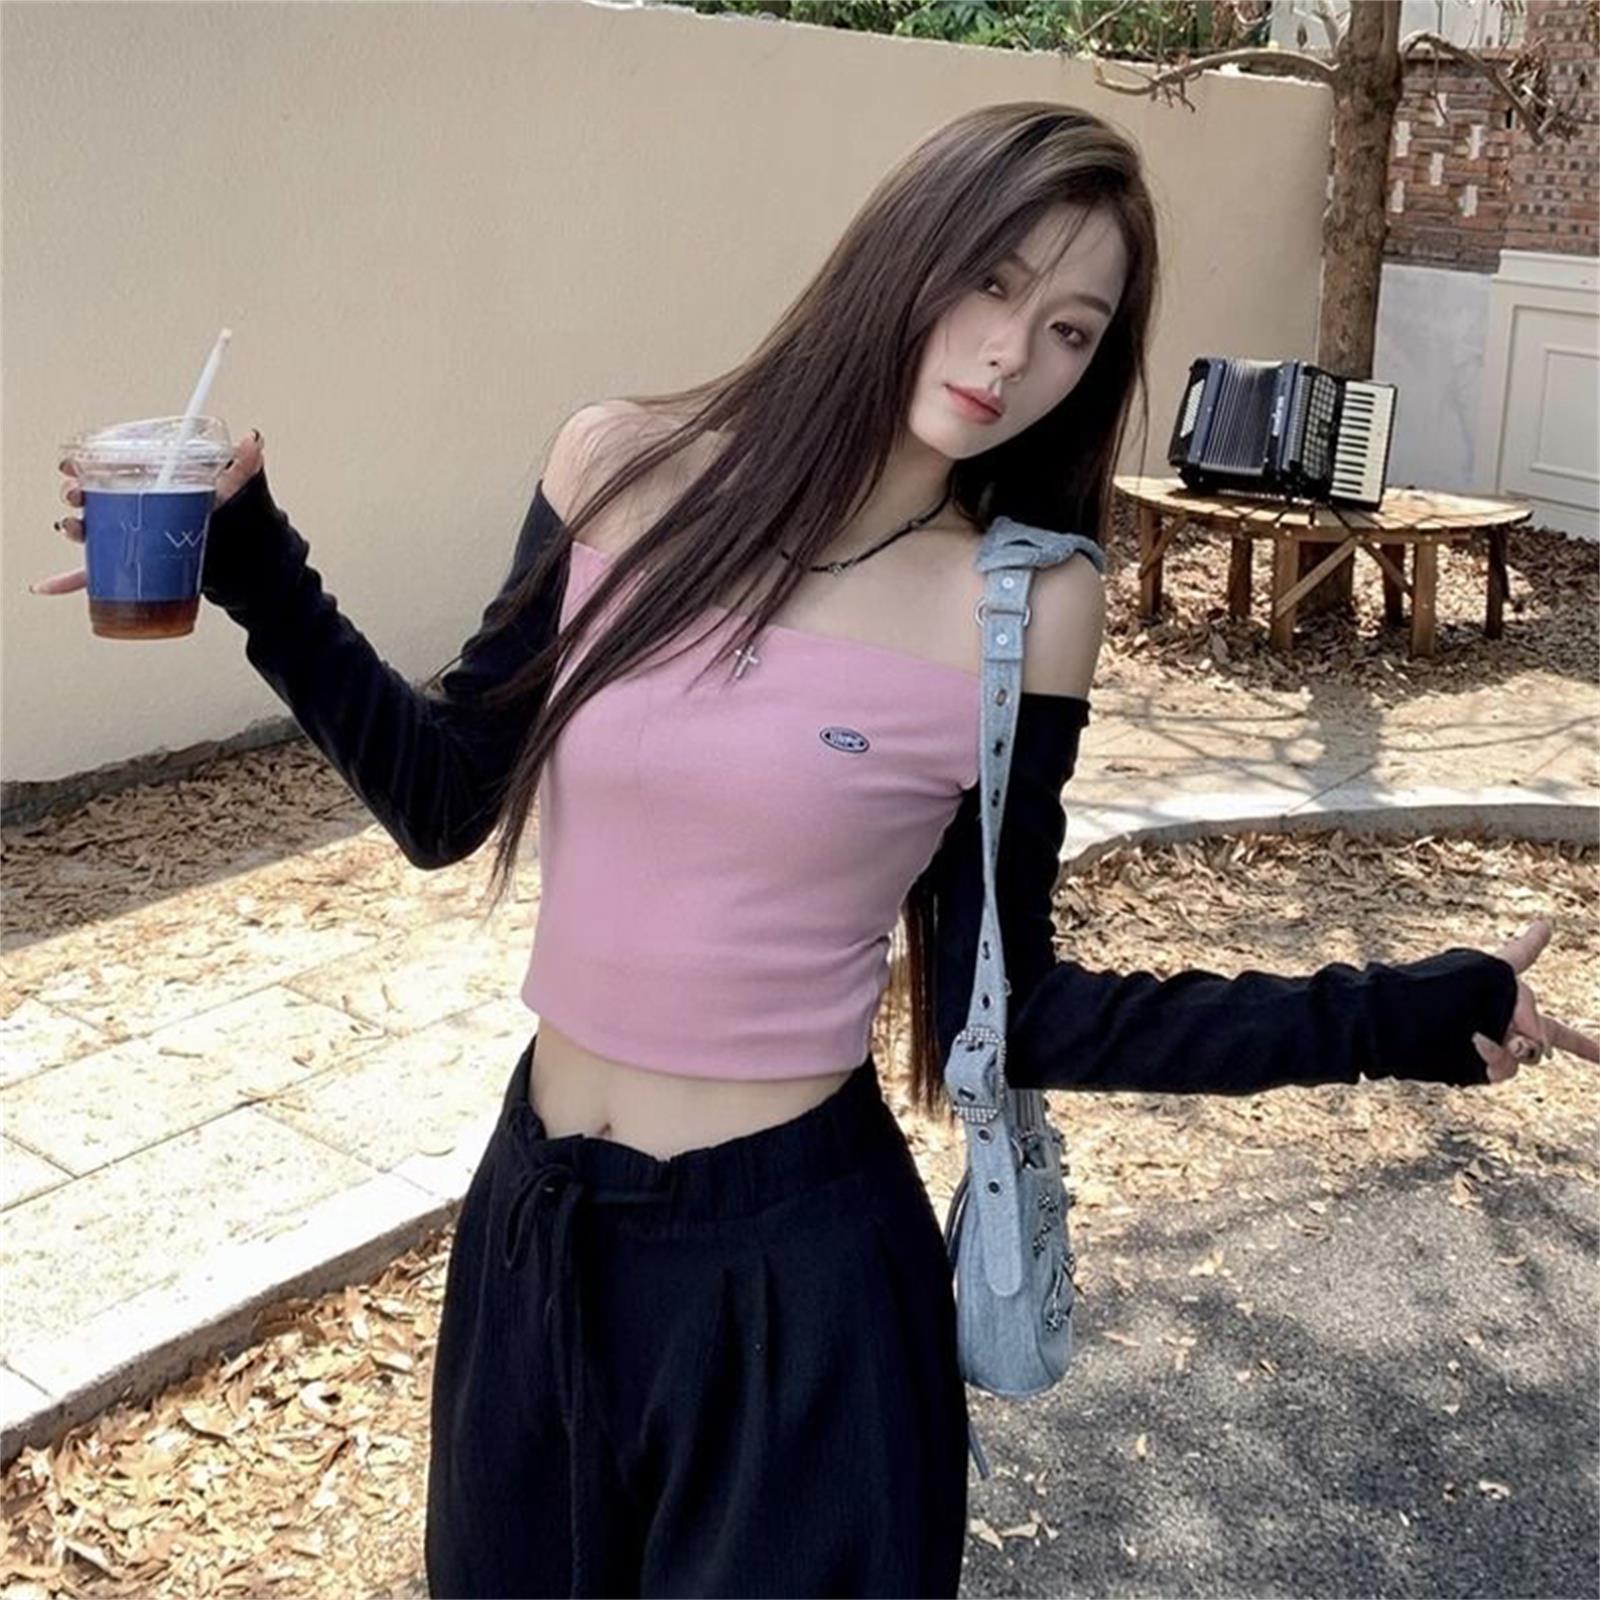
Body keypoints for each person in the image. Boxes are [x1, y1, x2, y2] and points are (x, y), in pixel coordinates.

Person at [41, 102, 1594, 1600]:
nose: (1013, 352)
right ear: (906, 251)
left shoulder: (1021, 610)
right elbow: (447, 796)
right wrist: (254, 565)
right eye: (993, 281)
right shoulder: (618, 465)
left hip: (799, 1277)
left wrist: (1402, 1013)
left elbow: (1019, 1007)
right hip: (539, 1231)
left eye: (1071, 329)